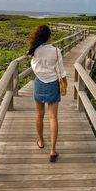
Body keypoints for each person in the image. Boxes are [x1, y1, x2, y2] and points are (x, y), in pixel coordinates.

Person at [27, 24, 67, 162]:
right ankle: (52, 151)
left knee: (39, 115)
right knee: (53, 118)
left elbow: (33, 66)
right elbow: (61, 70)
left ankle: (41, 142)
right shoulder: (56, 51)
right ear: (49, 36)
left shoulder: (35, 50)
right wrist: (65, 82)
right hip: (53, 84)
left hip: (39, 83)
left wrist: (41, 73)